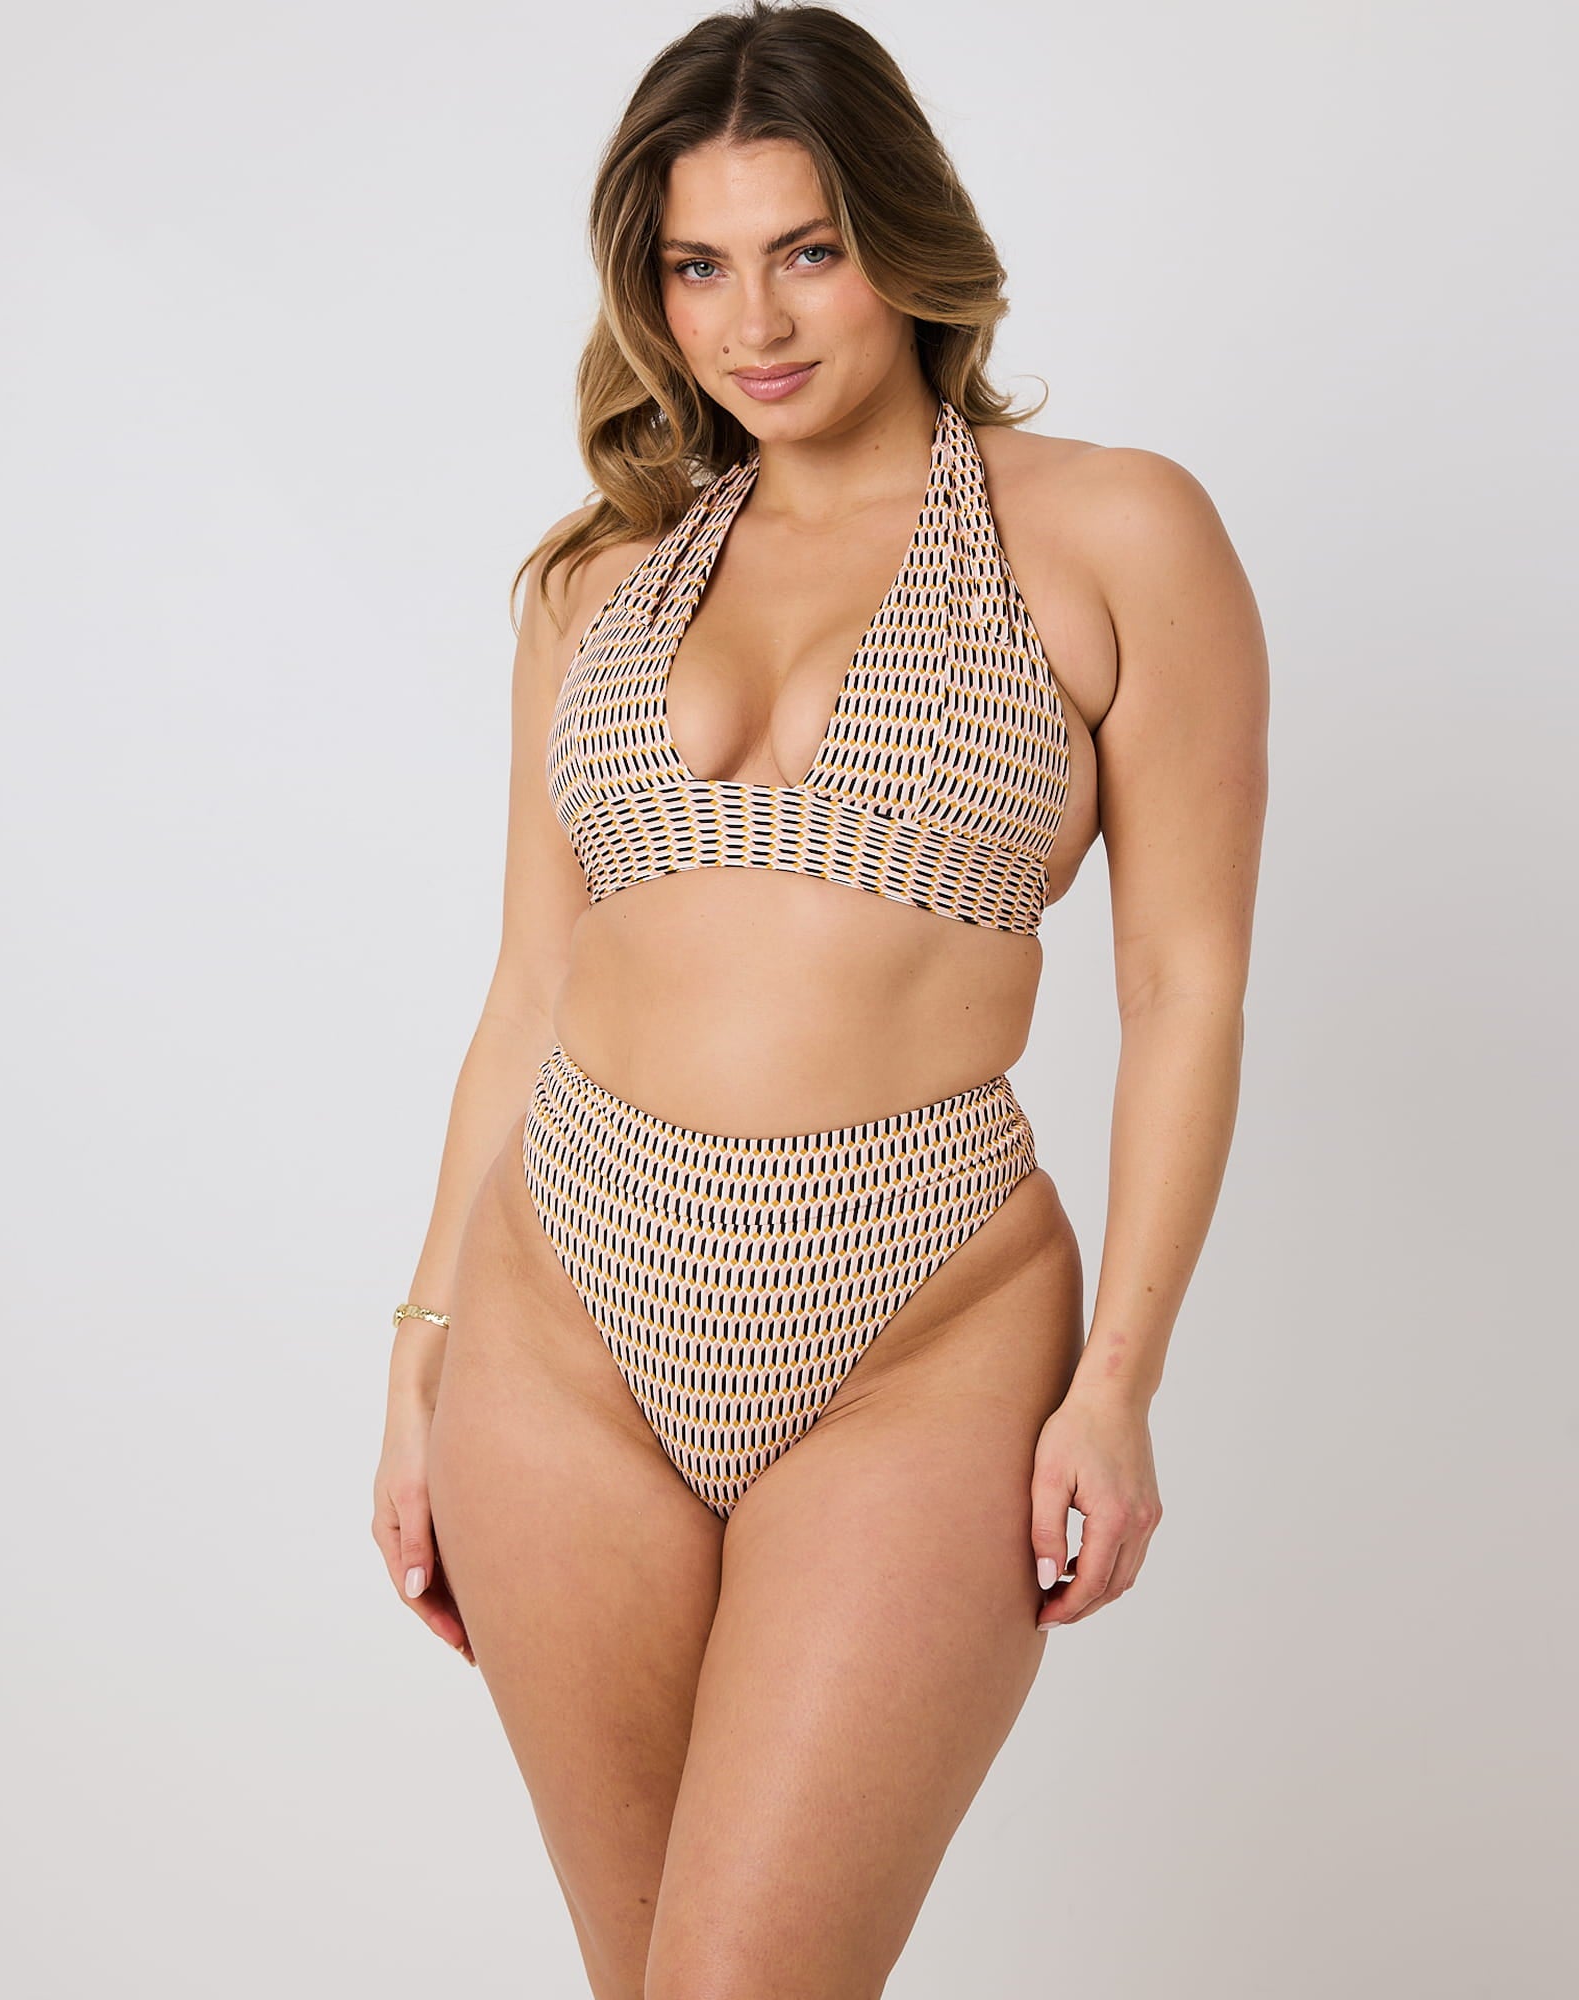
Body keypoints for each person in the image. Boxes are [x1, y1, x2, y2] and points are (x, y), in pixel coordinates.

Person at [372, 3, 1268, 1993]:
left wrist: (1117, 1382)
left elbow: (1185, 980)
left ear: (905, 240)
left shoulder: (1114, 527)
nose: (752, 323)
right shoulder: (597, 581)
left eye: (806, 251)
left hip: (920, 1328)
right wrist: (419, 1357)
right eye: (696, 267)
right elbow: (525, 985)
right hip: (562, 1317)